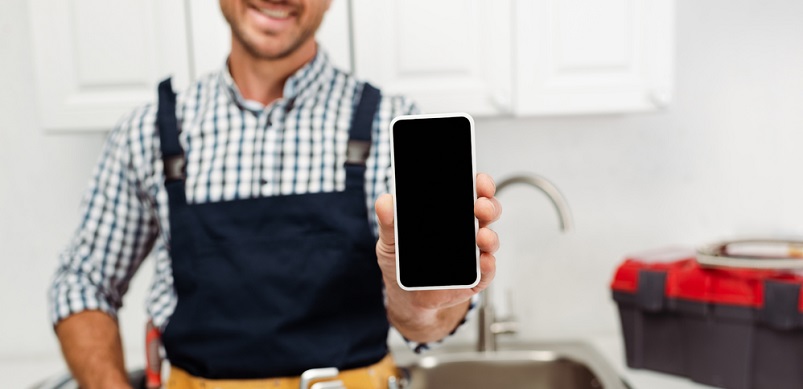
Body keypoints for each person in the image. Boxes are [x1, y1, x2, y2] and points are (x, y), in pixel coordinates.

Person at [48, 1, 502, 388]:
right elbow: (82, 282)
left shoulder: (392, 126)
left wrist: (422, 307)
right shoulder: (148, 132)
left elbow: (427, 320)